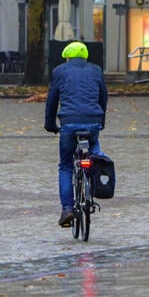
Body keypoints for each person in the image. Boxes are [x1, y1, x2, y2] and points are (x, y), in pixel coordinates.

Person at [44, 41, 107, 228]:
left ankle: (67, 209)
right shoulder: (96, 71)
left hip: (69, 122)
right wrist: (101, 121)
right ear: (85, 57)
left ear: (68, 57)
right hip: (92, 121)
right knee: (94, 153)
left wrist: (50, 124)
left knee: (65, 166)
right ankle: (94, 182)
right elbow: (103, 97)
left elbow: (52, 100)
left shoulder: (59, 71)